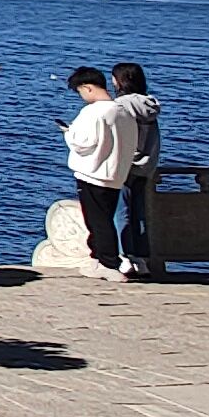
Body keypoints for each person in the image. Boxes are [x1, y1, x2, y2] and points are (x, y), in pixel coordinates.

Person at [60, 69, 137, 277]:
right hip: (115, 173)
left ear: (88, 88)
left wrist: (69, 133)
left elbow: (82, 142)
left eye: (80, 92)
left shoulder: (93, 112)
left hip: (92, 173)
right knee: (105, 216)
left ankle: (107, 263)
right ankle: (98, 259)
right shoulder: (124, 112)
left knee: (97, 221)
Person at [109, 62, 163, 275]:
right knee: (139, 213)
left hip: (125, 166)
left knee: (121, 212)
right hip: (146, 166)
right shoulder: (149, 106)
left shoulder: (120, 106)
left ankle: (125, 256)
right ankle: (141, 258)